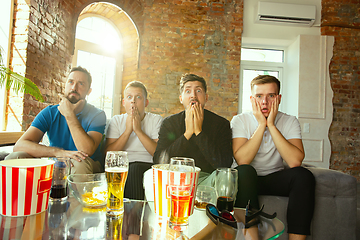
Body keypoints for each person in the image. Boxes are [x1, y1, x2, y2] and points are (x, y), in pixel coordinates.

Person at [231, 75, 315, 240]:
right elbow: (242, 160)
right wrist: (261, 125)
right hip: (247, 180)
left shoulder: (290, 121)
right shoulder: (240, 120)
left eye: (271, 96)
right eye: (259, 96)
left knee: (304, 175)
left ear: (279, 98)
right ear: (252, 99)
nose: (264, 102)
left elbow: (295, 161)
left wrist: (271, 124)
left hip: (273, 178)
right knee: (245, 171)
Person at [5, 66, 106, 174]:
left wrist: (69, 114)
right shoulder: (50, 112)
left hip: (87, 164)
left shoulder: (97, 115)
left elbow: (86, 150)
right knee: (15, 157)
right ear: (65, 85)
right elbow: (20, 145)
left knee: (79, 163)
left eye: (81, 84)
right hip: (56, 162)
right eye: (71, 82)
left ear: (89, 91)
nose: (74, 87)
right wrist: (59, 153)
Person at [152, 73, 233, 185]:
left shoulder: (221, 124)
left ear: (206, 97)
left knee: (226, 176)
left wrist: (199, 133)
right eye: (188, 91)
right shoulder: (169, 123)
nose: (193, 95)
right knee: (149, 175)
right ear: (181, 98)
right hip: (175, 179)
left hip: (208, 178)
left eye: (198, 91)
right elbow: (159, 160)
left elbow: (224, 164)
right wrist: (188, 133)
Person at [105, 81, 162, 199]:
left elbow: (159, 154)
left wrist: (138, 130)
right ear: (124, 102)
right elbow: (108, 154)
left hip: (147, 165)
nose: (133, 101)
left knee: (134, 169)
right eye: (129, 97)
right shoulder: (116, 120)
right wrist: (128, 131)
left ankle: (134, 214)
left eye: (138, 97)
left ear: (146, 103)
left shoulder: (156, 120)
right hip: (122, 165)